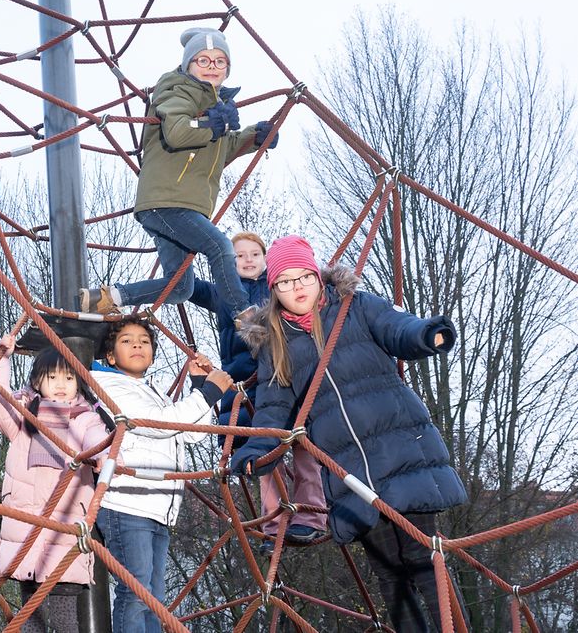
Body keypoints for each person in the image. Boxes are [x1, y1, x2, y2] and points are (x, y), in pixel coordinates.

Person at [230, 235, 467, 632]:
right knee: (391, 574)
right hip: (348, 469)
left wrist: (427, 334)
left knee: (425, 558)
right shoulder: (277, 342)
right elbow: (274, 406)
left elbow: (398, 328)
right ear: (273, 289)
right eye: (284, 282)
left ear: (318, 276)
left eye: (303, 276)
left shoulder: (353, 307)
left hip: (399, 447)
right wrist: (256, 450)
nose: (296, 288)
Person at [79, 27, 278, 328]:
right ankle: (246, 315)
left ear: (227, 68)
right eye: (203, 60)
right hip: (167, 200)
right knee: (220, 246)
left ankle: (107, 298)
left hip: (182, 205)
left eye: (219, 61)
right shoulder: (177, 90)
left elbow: (220, 152)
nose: (212, 67)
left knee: (181, 287)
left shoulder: (216, 104)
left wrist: (255, 136)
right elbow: (178, 131)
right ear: (188, 65)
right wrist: (212, 122)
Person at [187, 232, 326, 555]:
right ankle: (274, 525)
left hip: (284, 374)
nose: (248, 260)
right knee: (264, 456)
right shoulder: (222, 292)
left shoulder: (277, 289)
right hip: (245, 384)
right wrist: (185, 242)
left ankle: (310, 517)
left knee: (305, 444)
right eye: (238, 256)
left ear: (266, 260)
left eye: (255, 254)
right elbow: (186, 285)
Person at [91, 319, 233, 632]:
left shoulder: (150, 391)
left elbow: (191, 434)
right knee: (136, 592)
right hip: (126, 502)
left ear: (154, 353)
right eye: (127, 341)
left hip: (157, 507)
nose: (138, 345)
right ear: (110, 356)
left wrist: (198, 386)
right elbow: (158, 425)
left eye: (144, 341)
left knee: (153, 599)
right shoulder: (108, 386)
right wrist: (209, 391)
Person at [0, 336, 114, 633]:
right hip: (27, 527)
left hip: (65, 526)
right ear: (38, 380)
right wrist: (2, 358)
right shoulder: (25, 416)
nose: (61, 384)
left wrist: (101, 455)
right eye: (52, 377)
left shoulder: (86, 417)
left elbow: (97, 439)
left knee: (66, 618)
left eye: (68, 377)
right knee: (31, 618)